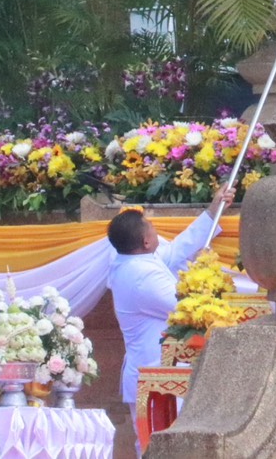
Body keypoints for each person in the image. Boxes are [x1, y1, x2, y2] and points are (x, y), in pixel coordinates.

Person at [107, 185, 231, 450]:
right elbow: (186, 307)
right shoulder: (141, 275)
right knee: (159, 447)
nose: (156, 231)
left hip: (163, 372)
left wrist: (213, 210)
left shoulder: (135, 260)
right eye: (151, 227)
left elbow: (176, 250)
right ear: (146, 242)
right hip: (157, 373)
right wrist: (203, 271)